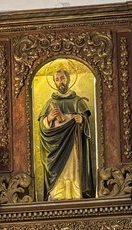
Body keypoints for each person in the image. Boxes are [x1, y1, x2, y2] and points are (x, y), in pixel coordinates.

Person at [37, 66, 94, 200]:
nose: (60, 81)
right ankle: (57, 195)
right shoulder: (50, 103)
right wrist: (49, 118)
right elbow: (42, 126)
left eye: (62, 78)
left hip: (72, 145)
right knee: (58, 174)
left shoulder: (77, 101)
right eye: (57, 79)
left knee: (73, 169)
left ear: (68, 79)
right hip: (55, 148)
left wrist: (82, 121)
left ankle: (74, 194)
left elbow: (85, 125)